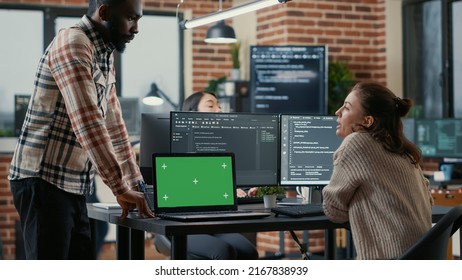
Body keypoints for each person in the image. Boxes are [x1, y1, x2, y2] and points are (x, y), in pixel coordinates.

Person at [8, 0, 154, 260]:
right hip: (43, 180)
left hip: (74, 184)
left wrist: (137, 186)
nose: (136, 29)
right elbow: (88, 123)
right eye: (131, 18)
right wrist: (120, 188)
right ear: (105, 12)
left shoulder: (104, 52)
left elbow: (114, 125)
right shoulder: (74, 43)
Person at [322, 81, 433, 260]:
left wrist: (355, 204)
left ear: (367, 121)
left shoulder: (356, 142)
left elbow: (333, 210)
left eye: (347, 108)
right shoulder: (403, 150)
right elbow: (429, 201)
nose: (338, 112)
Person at [160, 90, 258, 259]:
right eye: (211, 106)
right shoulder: (180, 142)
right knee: (223, 252)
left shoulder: (221, 145)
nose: (219, 110)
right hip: (181, 224)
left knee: (249, 252)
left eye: (219, 106)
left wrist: (248, 189)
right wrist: (221, 191)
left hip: (213, 223)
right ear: (192, 113)